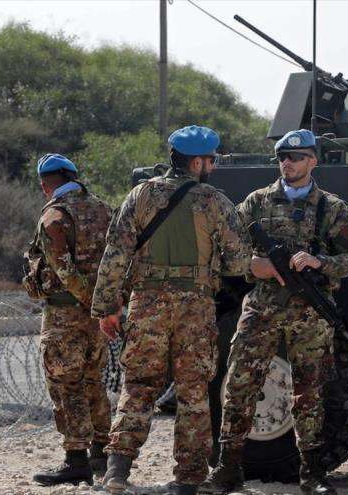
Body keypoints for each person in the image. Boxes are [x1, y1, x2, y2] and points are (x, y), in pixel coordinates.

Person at [202, 129, 348, 495]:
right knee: (239, 387)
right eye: (283, 157)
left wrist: (318, 261)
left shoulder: (331, 209)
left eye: (296, 157)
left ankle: (312, 472)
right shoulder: (256, 204)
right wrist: (253, 265)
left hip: (309, 313)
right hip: (261, 308)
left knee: (310, 393)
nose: (287, 163)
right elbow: (225, 251)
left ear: (313, 161)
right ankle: (227, 469)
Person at [92, 125, 251, 495]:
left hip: (146, 303)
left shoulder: (140, 195)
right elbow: (240, 261)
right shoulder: (214, 201)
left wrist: (107, 308)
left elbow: (115, 254)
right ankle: (188, 480)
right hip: (195, 306)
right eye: (211, 159)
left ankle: (117, 471)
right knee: (193, 391)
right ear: (197, 161)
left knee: (139, 385)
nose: (212, 165)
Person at [23, 154, 115, 486]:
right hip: (99, 316)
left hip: (65, 314)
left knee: (66, 385)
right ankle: (102, 453)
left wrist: (89, 299)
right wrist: (105, 304)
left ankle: (76, 459)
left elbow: (63, 269)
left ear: (46, 184)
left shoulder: (55, 215)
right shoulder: (104, 209)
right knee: (93, 381)